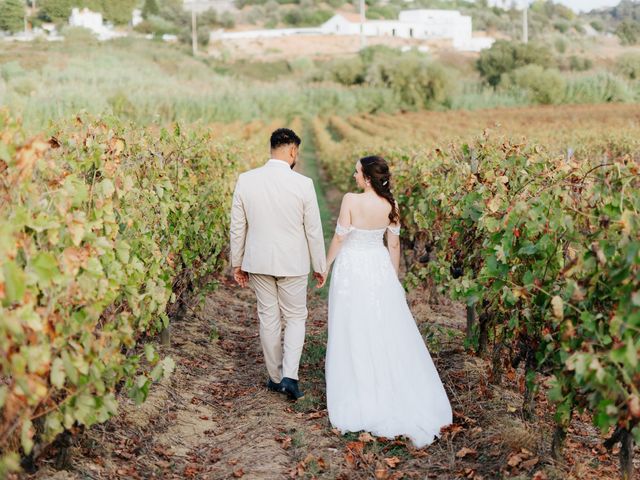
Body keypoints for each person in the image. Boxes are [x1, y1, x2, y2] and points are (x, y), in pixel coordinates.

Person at [321, 155, 452, 448]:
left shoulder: (350, 200)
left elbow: (341, 238)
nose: (354, 176)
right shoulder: (391, 205)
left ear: (367, 177)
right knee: (380, 327)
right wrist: (392, 280)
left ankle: (358, 388)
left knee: (352, 325)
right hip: (378, 267)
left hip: (353, 267)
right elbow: (393, 244)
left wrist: (326, 265)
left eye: (356, 172)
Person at [229, 128, 327, 400]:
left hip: (258, 260)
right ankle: (290, 377)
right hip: (292, 262)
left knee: (268, 317)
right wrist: (320, 264)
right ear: (293, 150)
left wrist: (237, 262)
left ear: (272, 148)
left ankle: (274, 377)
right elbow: (313, 230)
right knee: (296, 316)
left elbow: (237, 227)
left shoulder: (246, 180)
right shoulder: (303, 184)